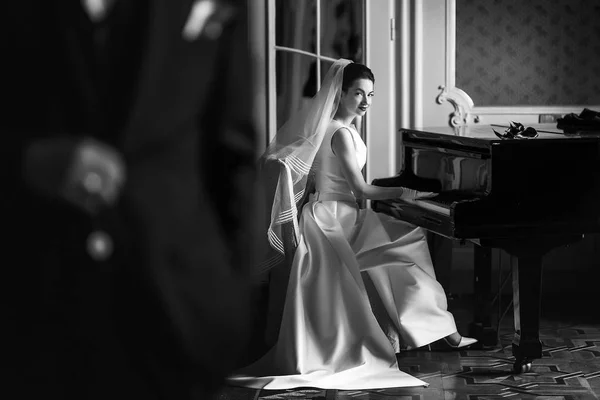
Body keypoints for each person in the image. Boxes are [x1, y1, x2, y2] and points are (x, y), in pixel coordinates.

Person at [2, 1, 260, 399]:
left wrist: (232, 300)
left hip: (178, 315)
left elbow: (231, 151)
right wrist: (24, 161)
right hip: (28, 309)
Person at [227, 59, 477, 390]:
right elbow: (361, 190)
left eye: (370, 95)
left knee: (402, 249)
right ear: (341, 93)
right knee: (406, 246)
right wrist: (407, 192)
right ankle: (441, 330)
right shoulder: (341, 133)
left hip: (330, 212)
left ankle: (439, 330)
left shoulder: (334, 127)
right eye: (358, 93)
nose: (365, 102)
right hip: (334, 217)